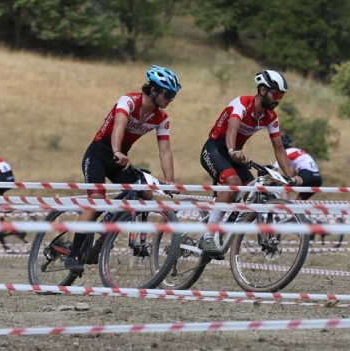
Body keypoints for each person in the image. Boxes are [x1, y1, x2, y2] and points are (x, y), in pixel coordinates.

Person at [65, 65, 181, 274]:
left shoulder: (161, 118)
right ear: (154, 90)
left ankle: (106, 235)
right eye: (168, 94)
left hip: (120, 160)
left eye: (173, 95)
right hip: (99, 154)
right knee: (97, 199)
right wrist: (117, 150)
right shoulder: (128, 101)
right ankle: (73, 254)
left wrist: (170, 182)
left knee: (144, 191)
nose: (171, 99)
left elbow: (165, 151)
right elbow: (119, 125)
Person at [199, 70, 302, 257]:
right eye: (277, 94)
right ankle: (207, 236)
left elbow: (279, 149)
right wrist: (232, 151)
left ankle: (221, 233)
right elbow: (231, 130)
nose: (279, 100)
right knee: (233, 183)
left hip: (236, 156)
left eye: (282, 96)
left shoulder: (271, 117)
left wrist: (289, 177)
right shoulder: (242, 104)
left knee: (249, 192)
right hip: (215, 149)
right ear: (262, 90)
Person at [273, 134, 322, 200]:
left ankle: (285, 209)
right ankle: (294, 210)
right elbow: (292, 172)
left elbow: (274, 168)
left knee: (284, 190)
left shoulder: (286, 152)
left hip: (307, 175)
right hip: (318, 178)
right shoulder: (298, 150)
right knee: (299, 202)